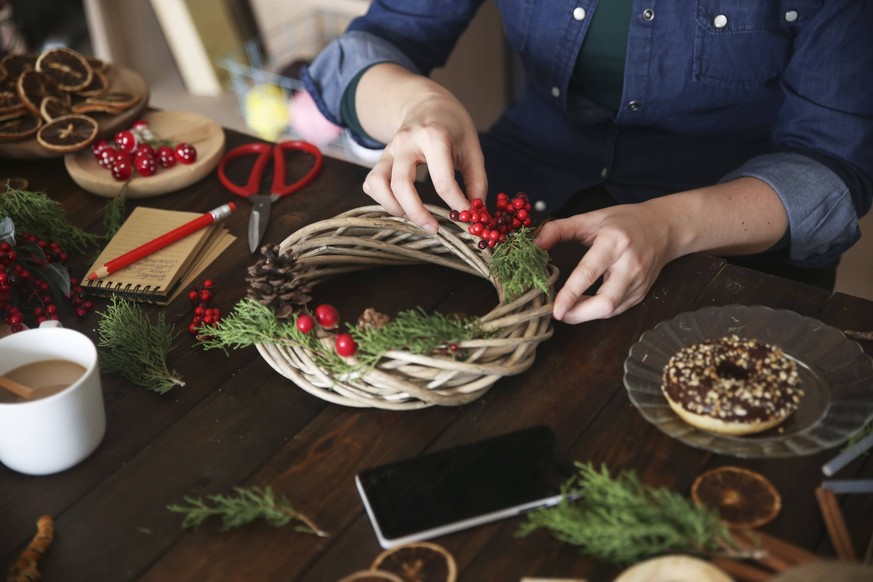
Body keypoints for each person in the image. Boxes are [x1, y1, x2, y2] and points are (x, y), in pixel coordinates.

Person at [302, 2, 873, 324]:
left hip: (726, 232)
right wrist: (418, 104)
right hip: (522, 191)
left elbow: (830, 167)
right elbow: (368, 46)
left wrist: (669, 225)